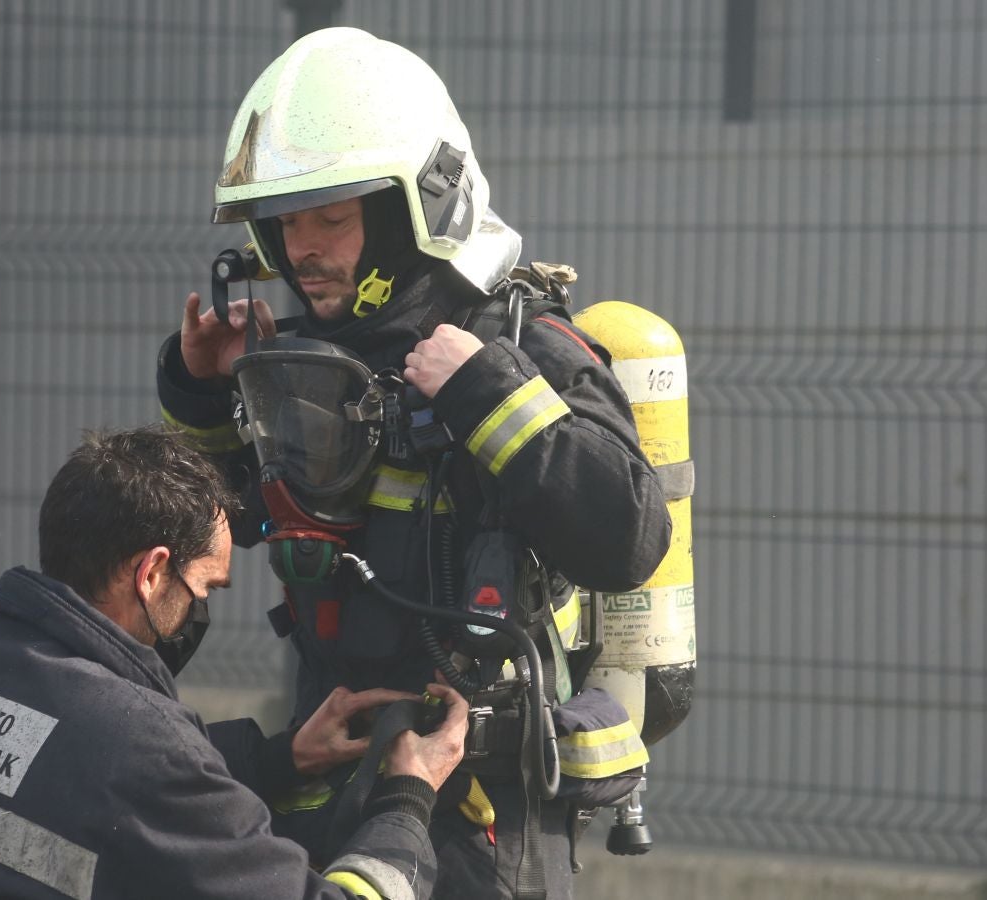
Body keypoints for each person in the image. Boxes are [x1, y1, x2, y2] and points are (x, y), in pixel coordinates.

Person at [157, 28, 672, 900]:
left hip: (482, 817)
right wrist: (204, 397)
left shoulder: (523, 349)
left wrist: (482, 393)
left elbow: (626, 536)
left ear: (413, 210)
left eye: (332, 216)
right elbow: (236, 523)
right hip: (332, 786)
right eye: (285, 223)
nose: (303, 247)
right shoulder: (313, 360)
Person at [0, 425, 470, 899]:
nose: (203, 608)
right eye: (207, 587)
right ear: (151, 572)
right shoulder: (139, 742)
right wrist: (407, 800)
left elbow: (67, 777)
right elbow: (132, 769)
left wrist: (279, 760)